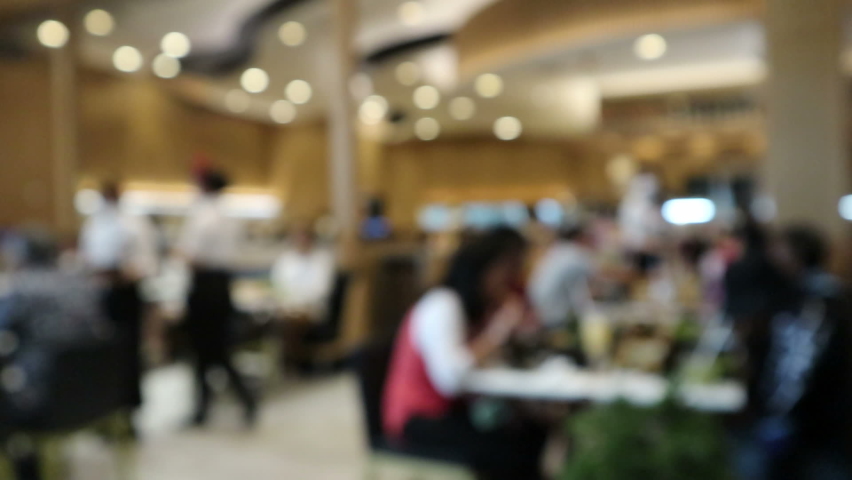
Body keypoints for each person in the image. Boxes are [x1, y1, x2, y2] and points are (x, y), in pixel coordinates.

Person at [383, 228, 547, 480]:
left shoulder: (473, 308)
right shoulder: (442, 305)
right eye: (509, 269)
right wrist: (499, 330)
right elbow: (450, 379)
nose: (513, 279)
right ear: (485, 268)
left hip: (453, 411)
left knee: (530, 432)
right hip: (419, 419)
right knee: (512, 449)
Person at [731, 224, 852, 480]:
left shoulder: (818, 302)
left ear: (796, 254)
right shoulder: (798, 293)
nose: (772, 254)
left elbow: (798, 364)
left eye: (779, 249)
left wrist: (776, 415)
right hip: (809, 425)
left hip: (811, 429)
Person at [0, 228, 112, 480]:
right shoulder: (81, 283)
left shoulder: (23, 288)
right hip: (93, 395)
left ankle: (23, 466)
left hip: (46, 398)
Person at [177, 170, 257, 427]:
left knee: (205, 351)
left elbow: (193, 256)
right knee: (219, 349)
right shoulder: (228, 216)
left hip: (205, 287)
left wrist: (175, 254)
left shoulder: (203, 216)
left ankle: (206, 407)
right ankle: (233, 402)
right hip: (223, 287)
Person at [79, 181, 158, 416]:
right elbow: (87, 257)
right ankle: (104, 408)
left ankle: (129, 407)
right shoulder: (94, 223)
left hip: (126, 293)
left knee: (128, 352)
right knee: (102, 352)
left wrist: (129, 272)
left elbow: (149, 262)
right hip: (100, 293)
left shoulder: (135, 223)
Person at [528, 223, 595, 328]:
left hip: (538, 311)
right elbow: (603, 273)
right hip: (554, 318)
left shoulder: (557, 250)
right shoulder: (573, 252)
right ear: (580, 237)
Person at [270, 224, 335, 320]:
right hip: (286, 308)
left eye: (305, 237)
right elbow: (278, 285)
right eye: (298, 237)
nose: (302, 241)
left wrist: (300, 305)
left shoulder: (323, 259)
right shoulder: (285, 259)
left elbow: (322, 290)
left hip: (312, 311)